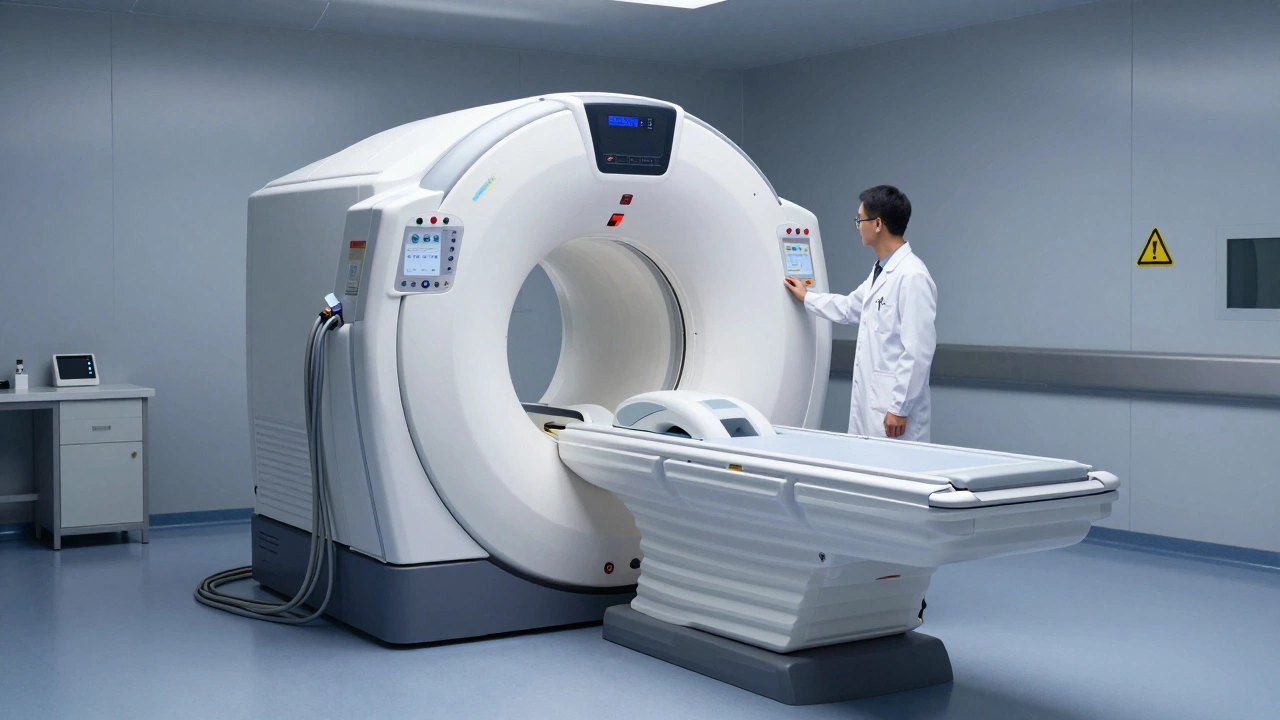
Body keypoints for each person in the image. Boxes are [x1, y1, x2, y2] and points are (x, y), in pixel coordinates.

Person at [784, 185, 937, 442]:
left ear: (877, 224)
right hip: (874, 404)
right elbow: (849, 307)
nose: (857, 226)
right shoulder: (881, 270)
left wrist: (900, 408)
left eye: (859, 219)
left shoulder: (913, 276)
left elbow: (918, 350)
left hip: (895, 413)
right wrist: (807, 297)